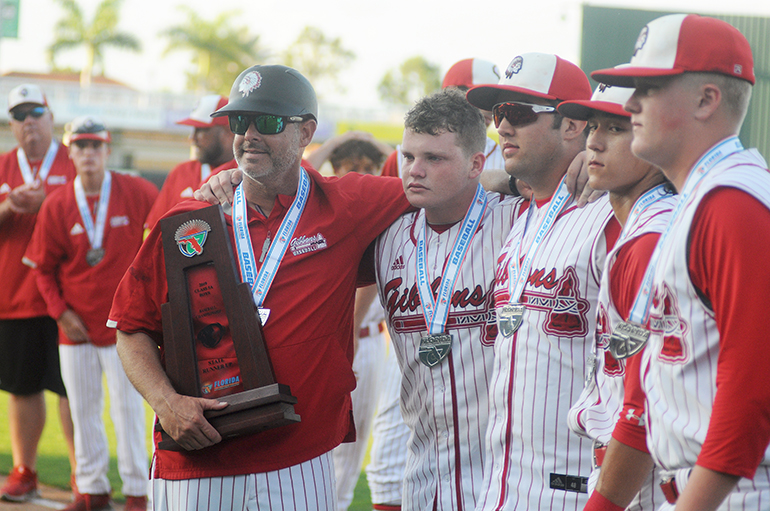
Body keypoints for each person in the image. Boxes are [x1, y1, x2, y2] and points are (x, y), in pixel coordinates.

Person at [108, 64, 411, 511]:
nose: (249, 134)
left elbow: (439, 186)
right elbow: (130, 327)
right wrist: (166, 402)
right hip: (198, 460)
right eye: (238, 121)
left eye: (267, 122)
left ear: (306, 132)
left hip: (299, 459)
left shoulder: (345, 205)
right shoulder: (187, 221)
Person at [584, 14, 770, 511]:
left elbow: (754, 389)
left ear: (708, 99)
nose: (630, 103)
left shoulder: (734, 202)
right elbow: (650, 389)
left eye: (649, 87)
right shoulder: (696, 198)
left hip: (737, 493)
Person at [464, 52, 620, 510]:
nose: (501, 128)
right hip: (502, 485)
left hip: (575, 488)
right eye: (497, 114)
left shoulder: (611, 213)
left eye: (518, 113)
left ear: (573, 125)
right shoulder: (521, 217)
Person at [368, 88, 525, 510]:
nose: (415, 171)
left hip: (503, 480)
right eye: (408, 157)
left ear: (477, 164)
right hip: (422, 479)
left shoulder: (521, 222)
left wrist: (513, 181)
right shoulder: (385, 236)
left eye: (434, 159)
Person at [23, 116, 156, 511]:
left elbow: (165, 228)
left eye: (95, 145)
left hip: (125, 328)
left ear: (107, 149)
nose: (89, 153)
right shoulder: (59, 203)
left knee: (129, 412)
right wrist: (60, 313)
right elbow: (42, 268)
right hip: (75, 328)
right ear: (70, 152)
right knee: (83, 413)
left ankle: (138, 493)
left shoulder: (136, 190)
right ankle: (91, 490)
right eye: (81, 146)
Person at [557, 82, 675, 510]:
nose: (594, 141)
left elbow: (643, 411)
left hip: (650, 480)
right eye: (592, 126)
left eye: (616, 127)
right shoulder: (648, 223)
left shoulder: (650, 239)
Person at [306, 133, 397, 511]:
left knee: (353, 447)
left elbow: (411, 169)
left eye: (367, 167)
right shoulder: (317, 207)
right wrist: (342, 139)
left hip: (369, 340)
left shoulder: (382, 207)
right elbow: (301, 167)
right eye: (348, 168)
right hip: (326, 340)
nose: (359, 175)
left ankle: (337, 505)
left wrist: (374, 146)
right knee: (317, 441)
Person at [0, 83, 77, 502]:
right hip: (14, 297)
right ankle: (24, 470)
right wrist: (11, 206)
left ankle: (85, 475)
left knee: (72, 389)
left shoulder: (76, 160)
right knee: (22, 387)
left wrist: (51, 201)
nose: (28, 122)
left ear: (51, 118)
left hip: (69, 300)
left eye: (36, 113)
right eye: (19, 115)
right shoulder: (2, 166)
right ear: (12, 125)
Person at [380, 58, 508, 192]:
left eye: (494, 102)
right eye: (480, 99)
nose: (489, 109)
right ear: (451, 94)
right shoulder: (399, 159)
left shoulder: (507, 158)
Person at [143, 94, 235, 233]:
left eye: (201, 130)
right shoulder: (181, 172)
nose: (192, 138)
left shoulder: (246, 175)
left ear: (228, 132)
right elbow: (153, 229)